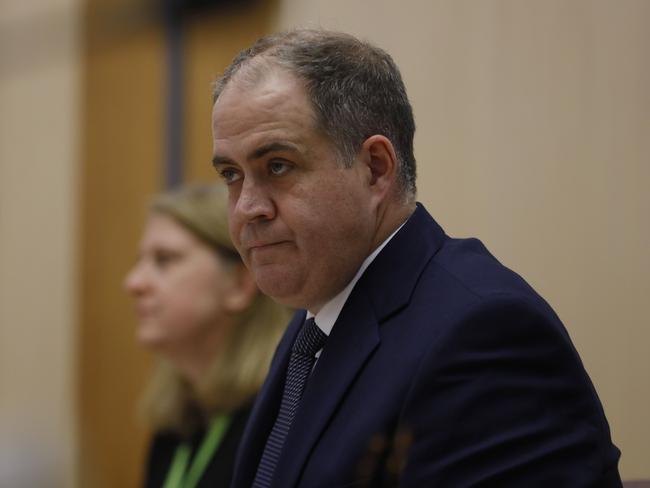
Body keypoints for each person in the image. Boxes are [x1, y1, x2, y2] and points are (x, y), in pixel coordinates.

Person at [210, 30, 622, 487]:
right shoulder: (314, 325)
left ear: (376, 169)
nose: (248, 207)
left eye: (278, 166)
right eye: (231, 174)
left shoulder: (482, 335)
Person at [124, 183, 291, 488]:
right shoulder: (177, 422)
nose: (134, 282)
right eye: (140, 261)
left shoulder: (279, 422)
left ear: (240, 283)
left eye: (164, 260)